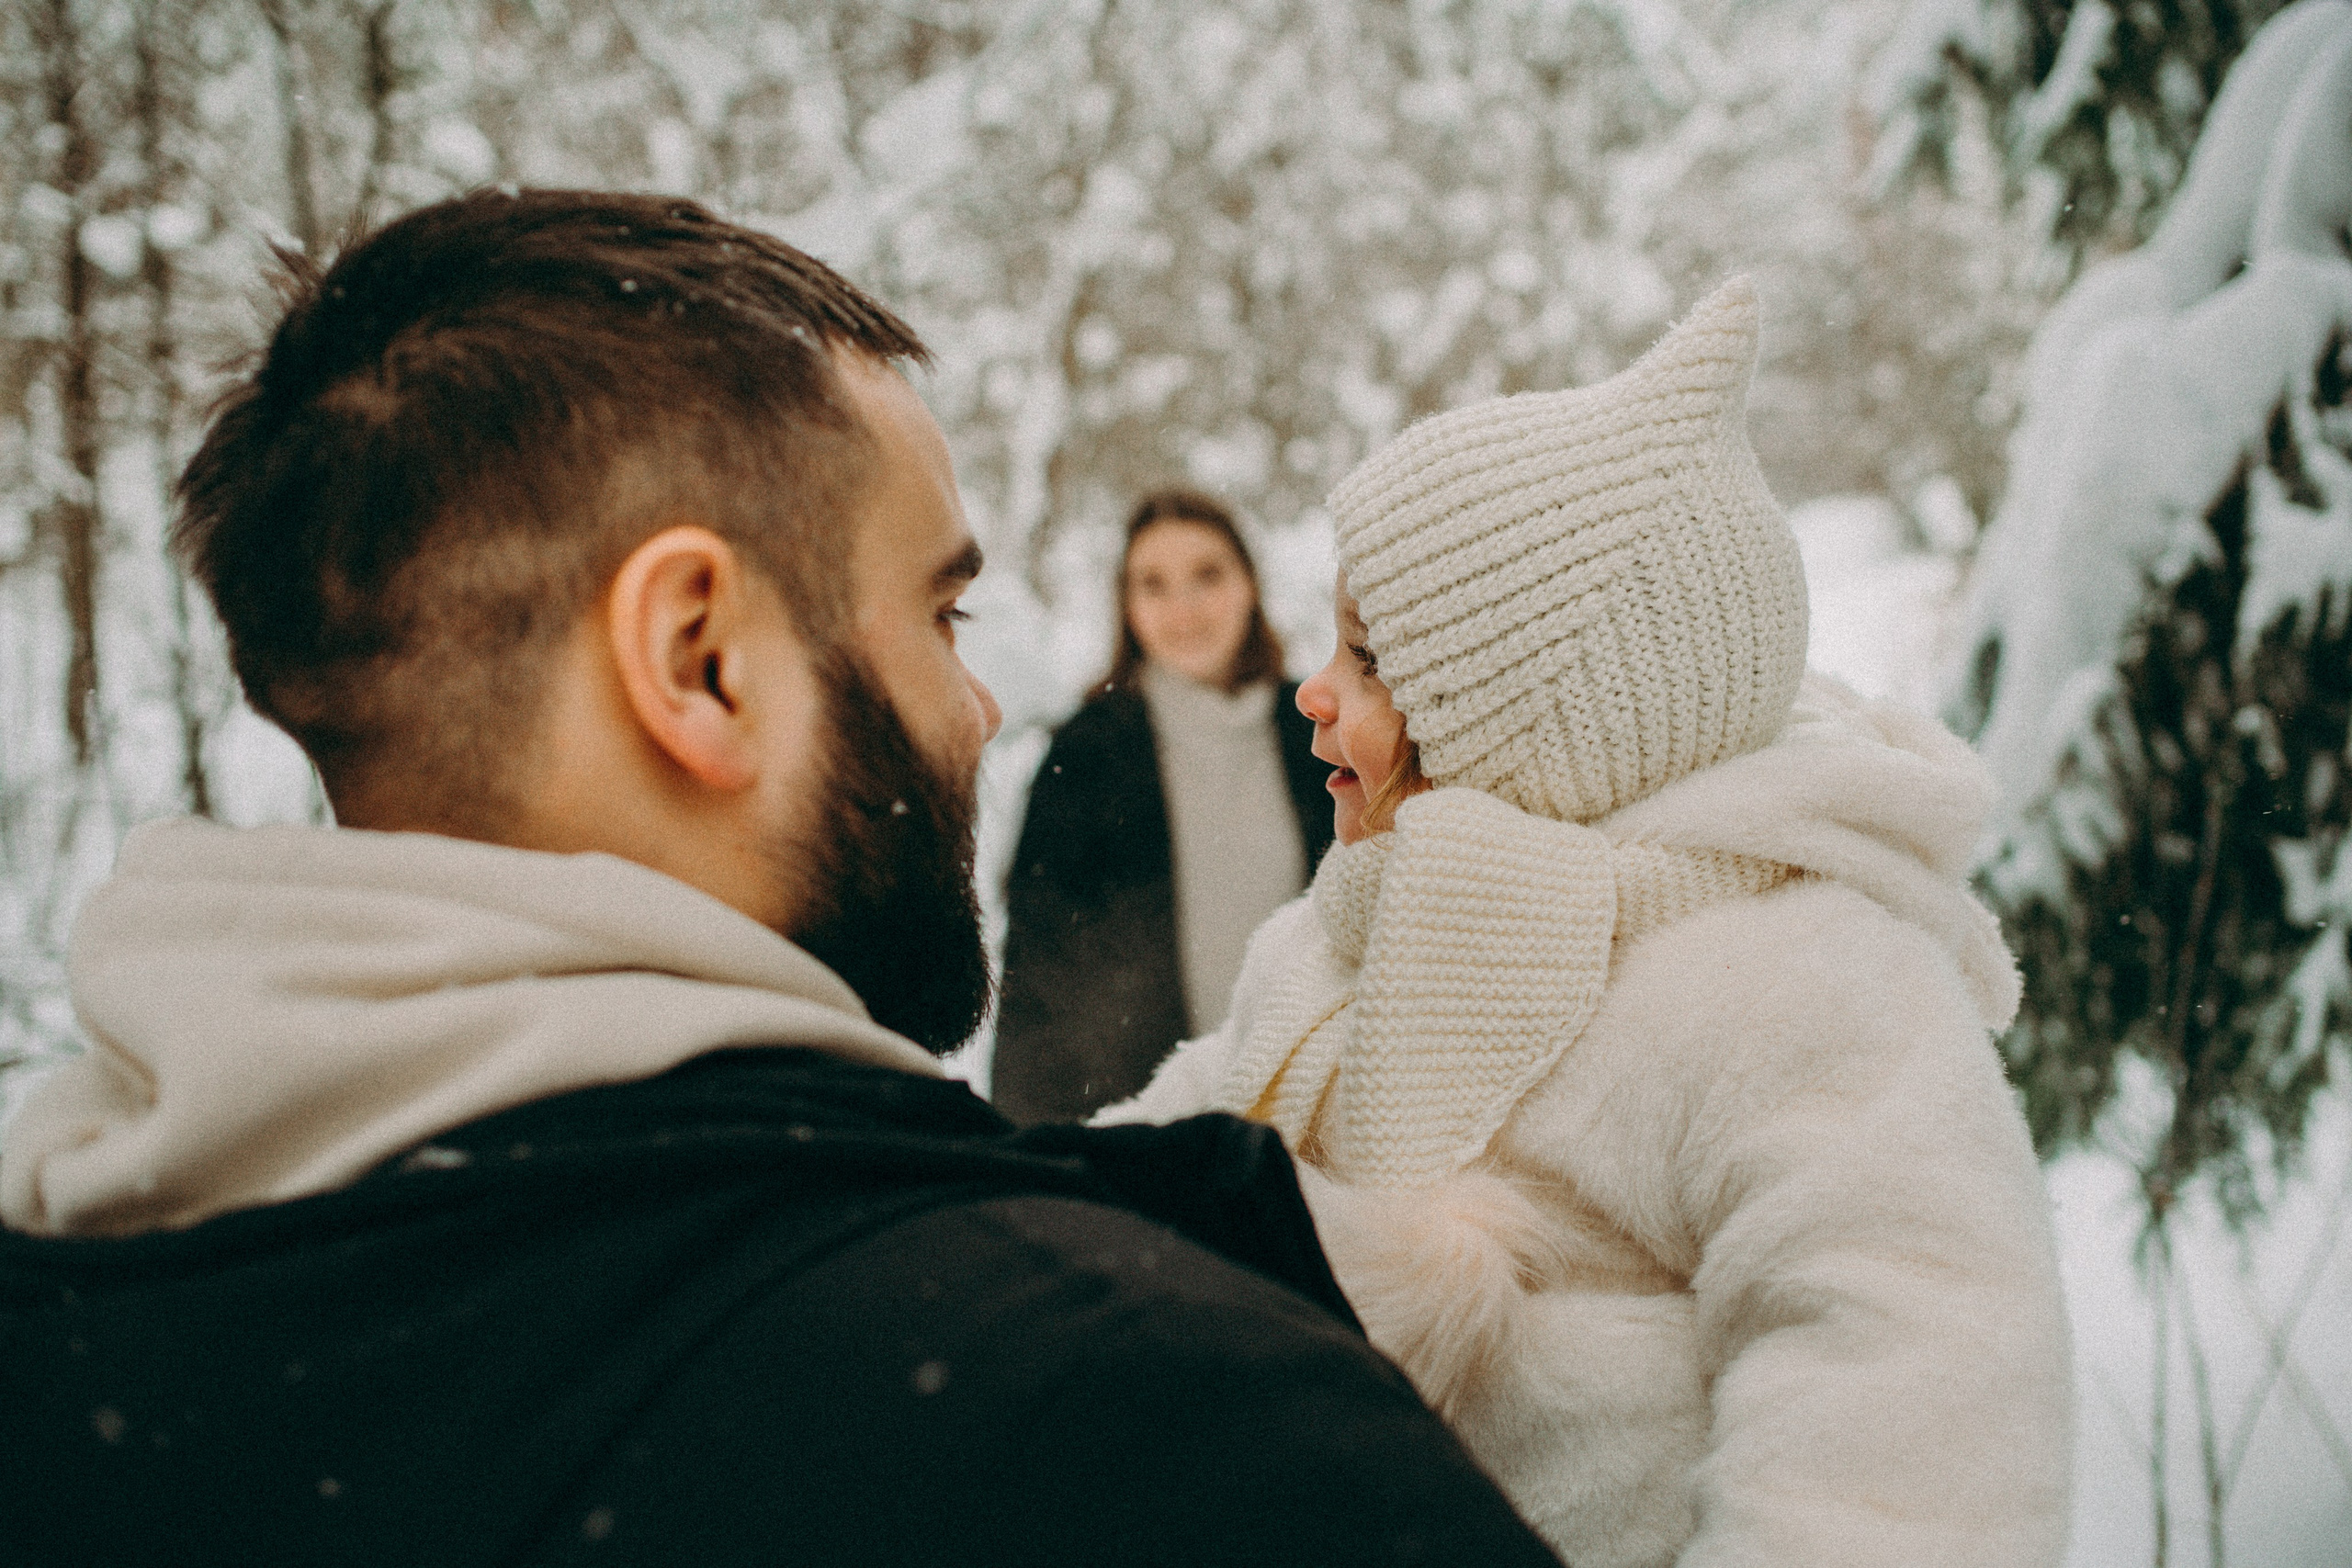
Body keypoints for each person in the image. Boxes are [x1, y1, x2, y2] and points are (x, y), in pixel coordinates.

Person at [0, 190, 1567, 1568]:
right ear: (701, 660)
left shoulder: (81, 1359)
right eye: (938, 616)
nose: (977, 706)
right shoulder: (1157, 1439)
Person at [1102, 279, 2075, 1568]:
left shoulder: (1793, 971)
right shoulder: (1352, 932)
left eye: (1372, 657)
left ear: (1520, 714)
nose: (1316, 692)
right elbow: (1157, 1165)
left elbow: (1924, 1379)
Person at [991, 491, 1333, 1124]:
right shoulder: (1086, 756)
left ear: (1249, 583)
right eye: (1154, 584)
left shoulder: (1318, 733)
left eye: (1207, 574)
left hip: (1311, 1122)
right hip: (1144, 1136)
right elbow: (1038, 989)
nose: (1184, 608)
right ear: (1126, 606)